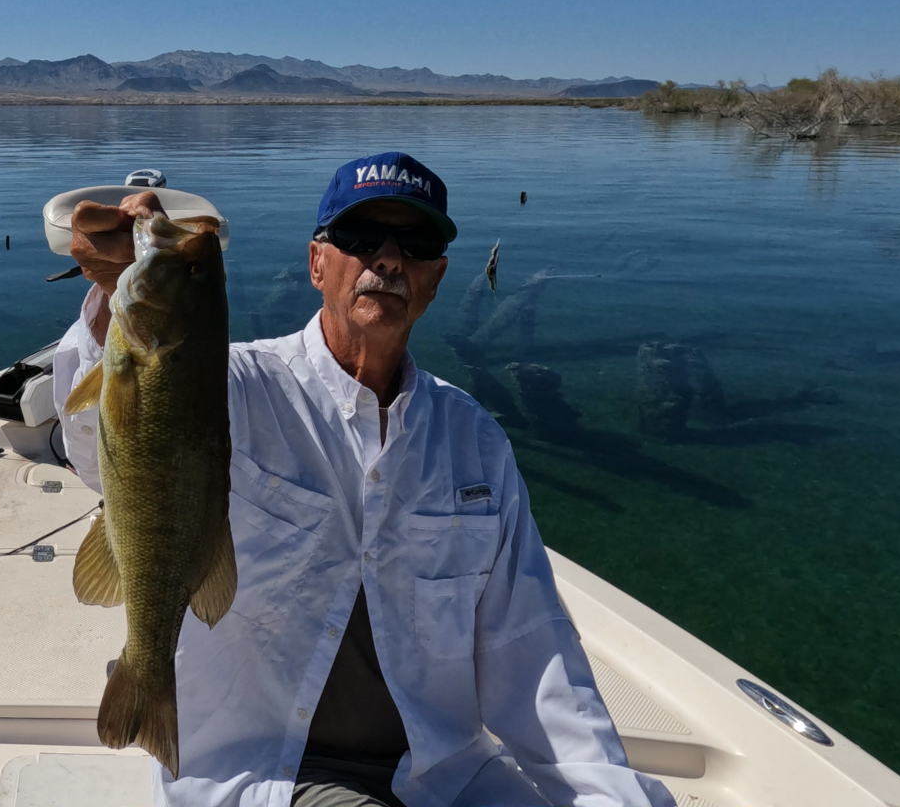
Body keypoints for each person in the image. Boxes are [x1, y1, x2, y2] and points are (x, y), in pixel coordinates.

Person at [51, 153, 676, 807]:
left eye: (416, 244)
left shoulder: (475, 444)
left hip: (445, 776)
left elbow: (535, 651)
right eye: (359, 239)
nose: (387, 260)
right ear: (317, 263)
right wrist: (110, 298)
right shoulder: (233, 385)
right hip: (279, 771)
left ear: (434, 279)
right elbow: (100, 444)